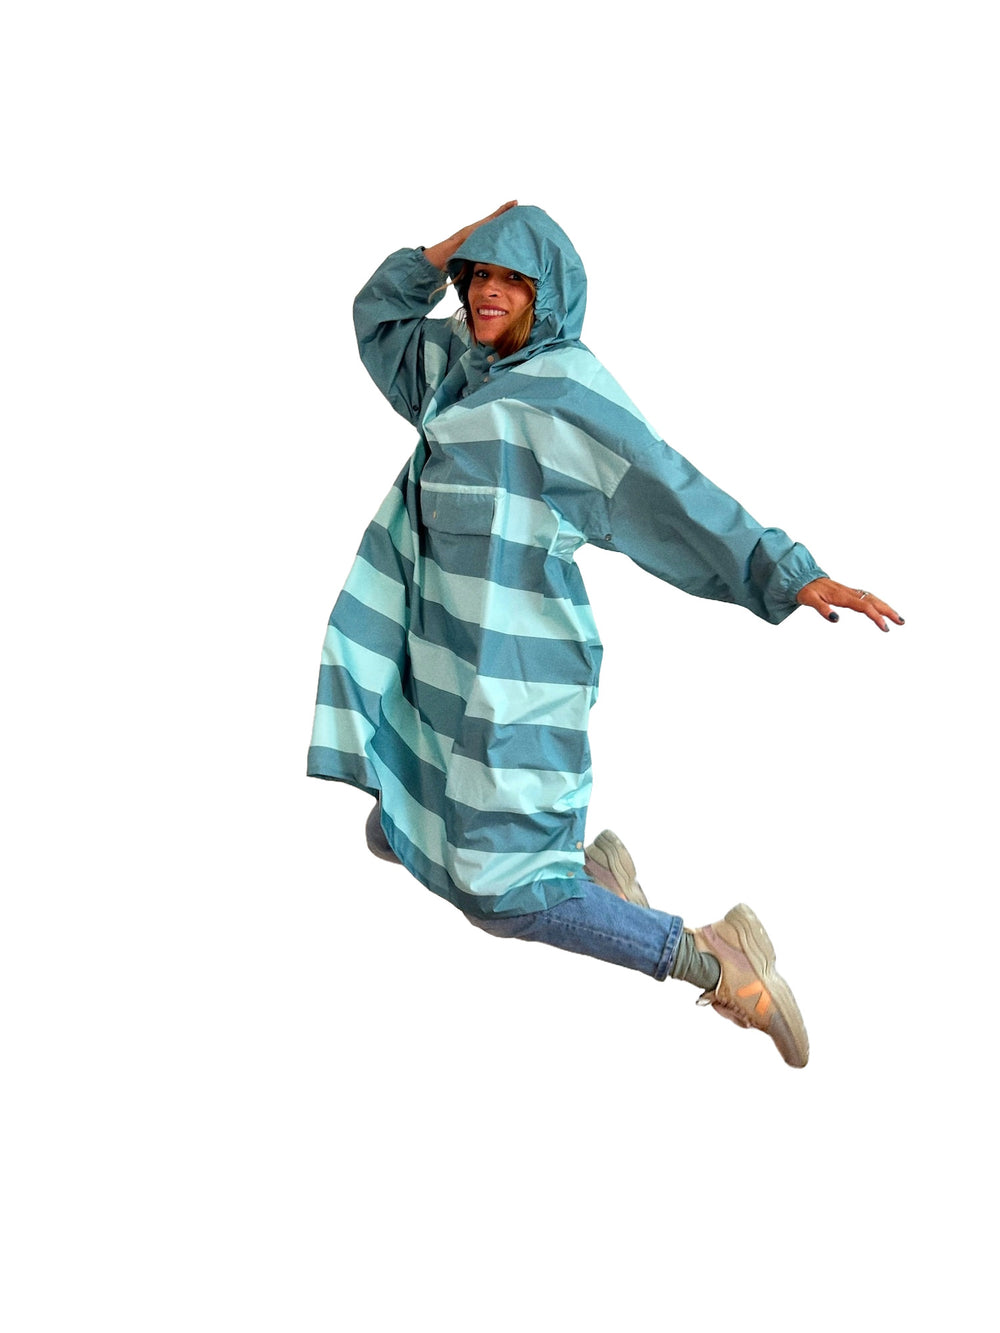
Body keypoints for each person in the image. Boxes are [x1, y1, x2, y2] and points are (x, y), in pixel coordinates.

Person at [308, 202, 903, 1068]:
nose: (487, 292)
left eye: (512, 279)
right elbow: (378, 314)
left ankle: (713, 958)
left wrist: (786, 571)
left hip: (517, 676)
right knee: (396, 826)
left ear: (546, 294)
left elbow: (670, 488)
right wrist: (461, 240)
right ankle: (594, 879)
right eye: (479, 276)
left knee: (501, 893)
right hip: (437, 670)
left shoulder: (567, 394)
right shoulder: (451, 373)